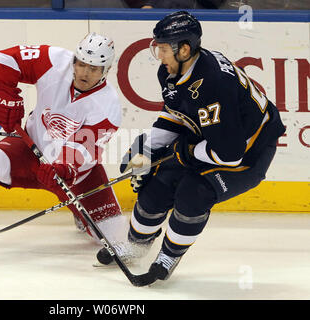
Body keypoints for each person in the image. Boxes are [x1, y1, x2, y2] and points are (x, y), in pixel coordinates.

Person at [96, 11, 286, 284]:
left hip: (249, 151)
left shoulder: (213, 85)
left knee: (193, 193)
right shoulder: (173, 69)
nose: (159, 56)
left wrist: (183, 153)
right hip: (213, 137)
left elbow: (229, 154)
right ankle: (135, 246)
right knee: (156, 186)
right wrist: (149, 151)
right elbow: (175, 113)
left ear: (184, 49)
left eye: (163, 49)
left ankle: (169, 256)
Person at [0, 32, 126, 261]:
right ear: (74, 59)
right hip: (28, 149)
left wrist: (64, 168)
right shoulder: (55, 60)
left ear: (106, 71)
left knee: (116, 240)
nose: (84, 72)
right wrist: (6, 93)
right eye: (81, 63)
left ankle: (82, 216)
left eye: (94, 69)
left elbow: (85, 148)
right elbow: (3, 58)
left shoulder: (109, 105)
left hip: (73, 176)